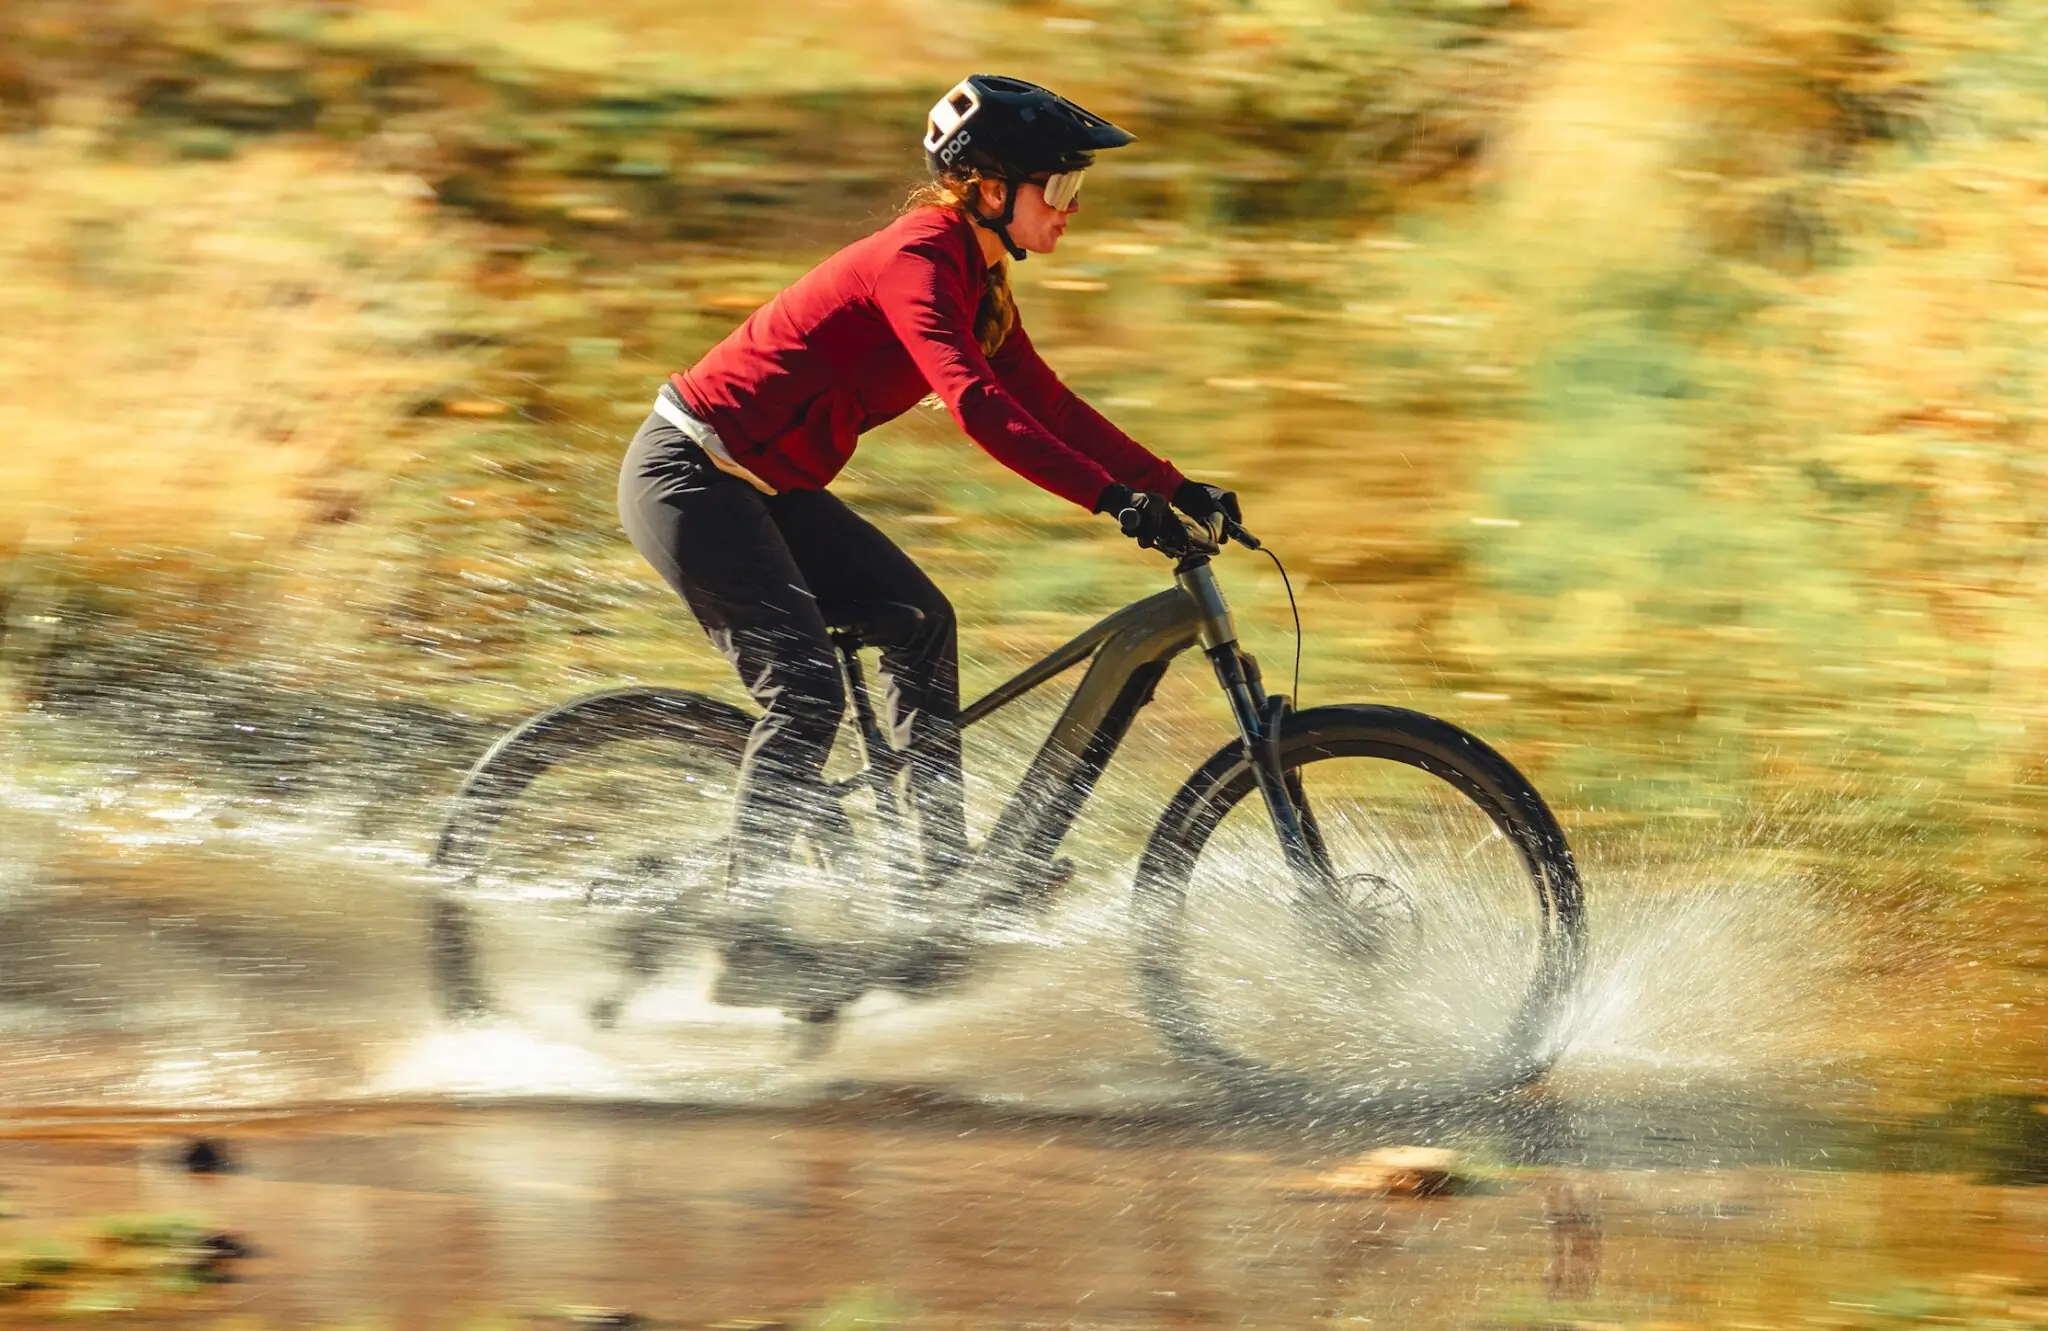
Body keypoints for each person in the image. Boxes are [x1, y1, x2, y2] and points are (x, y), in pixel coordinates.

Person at [617, 74, 1242, 1006]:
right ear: (991, 187)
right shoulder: (920, 256)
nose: (1071, 209)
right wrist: (1114, 501)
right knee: (805, 696)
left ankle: (935, 874)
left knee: (919, 621)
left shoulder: (979, 279)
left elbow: (1047, 403)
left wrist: (1173, 483)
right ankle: (747, 942)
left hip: (760, 488)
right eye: (1058, 189)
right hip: (691, 478)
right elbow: (980, 407)